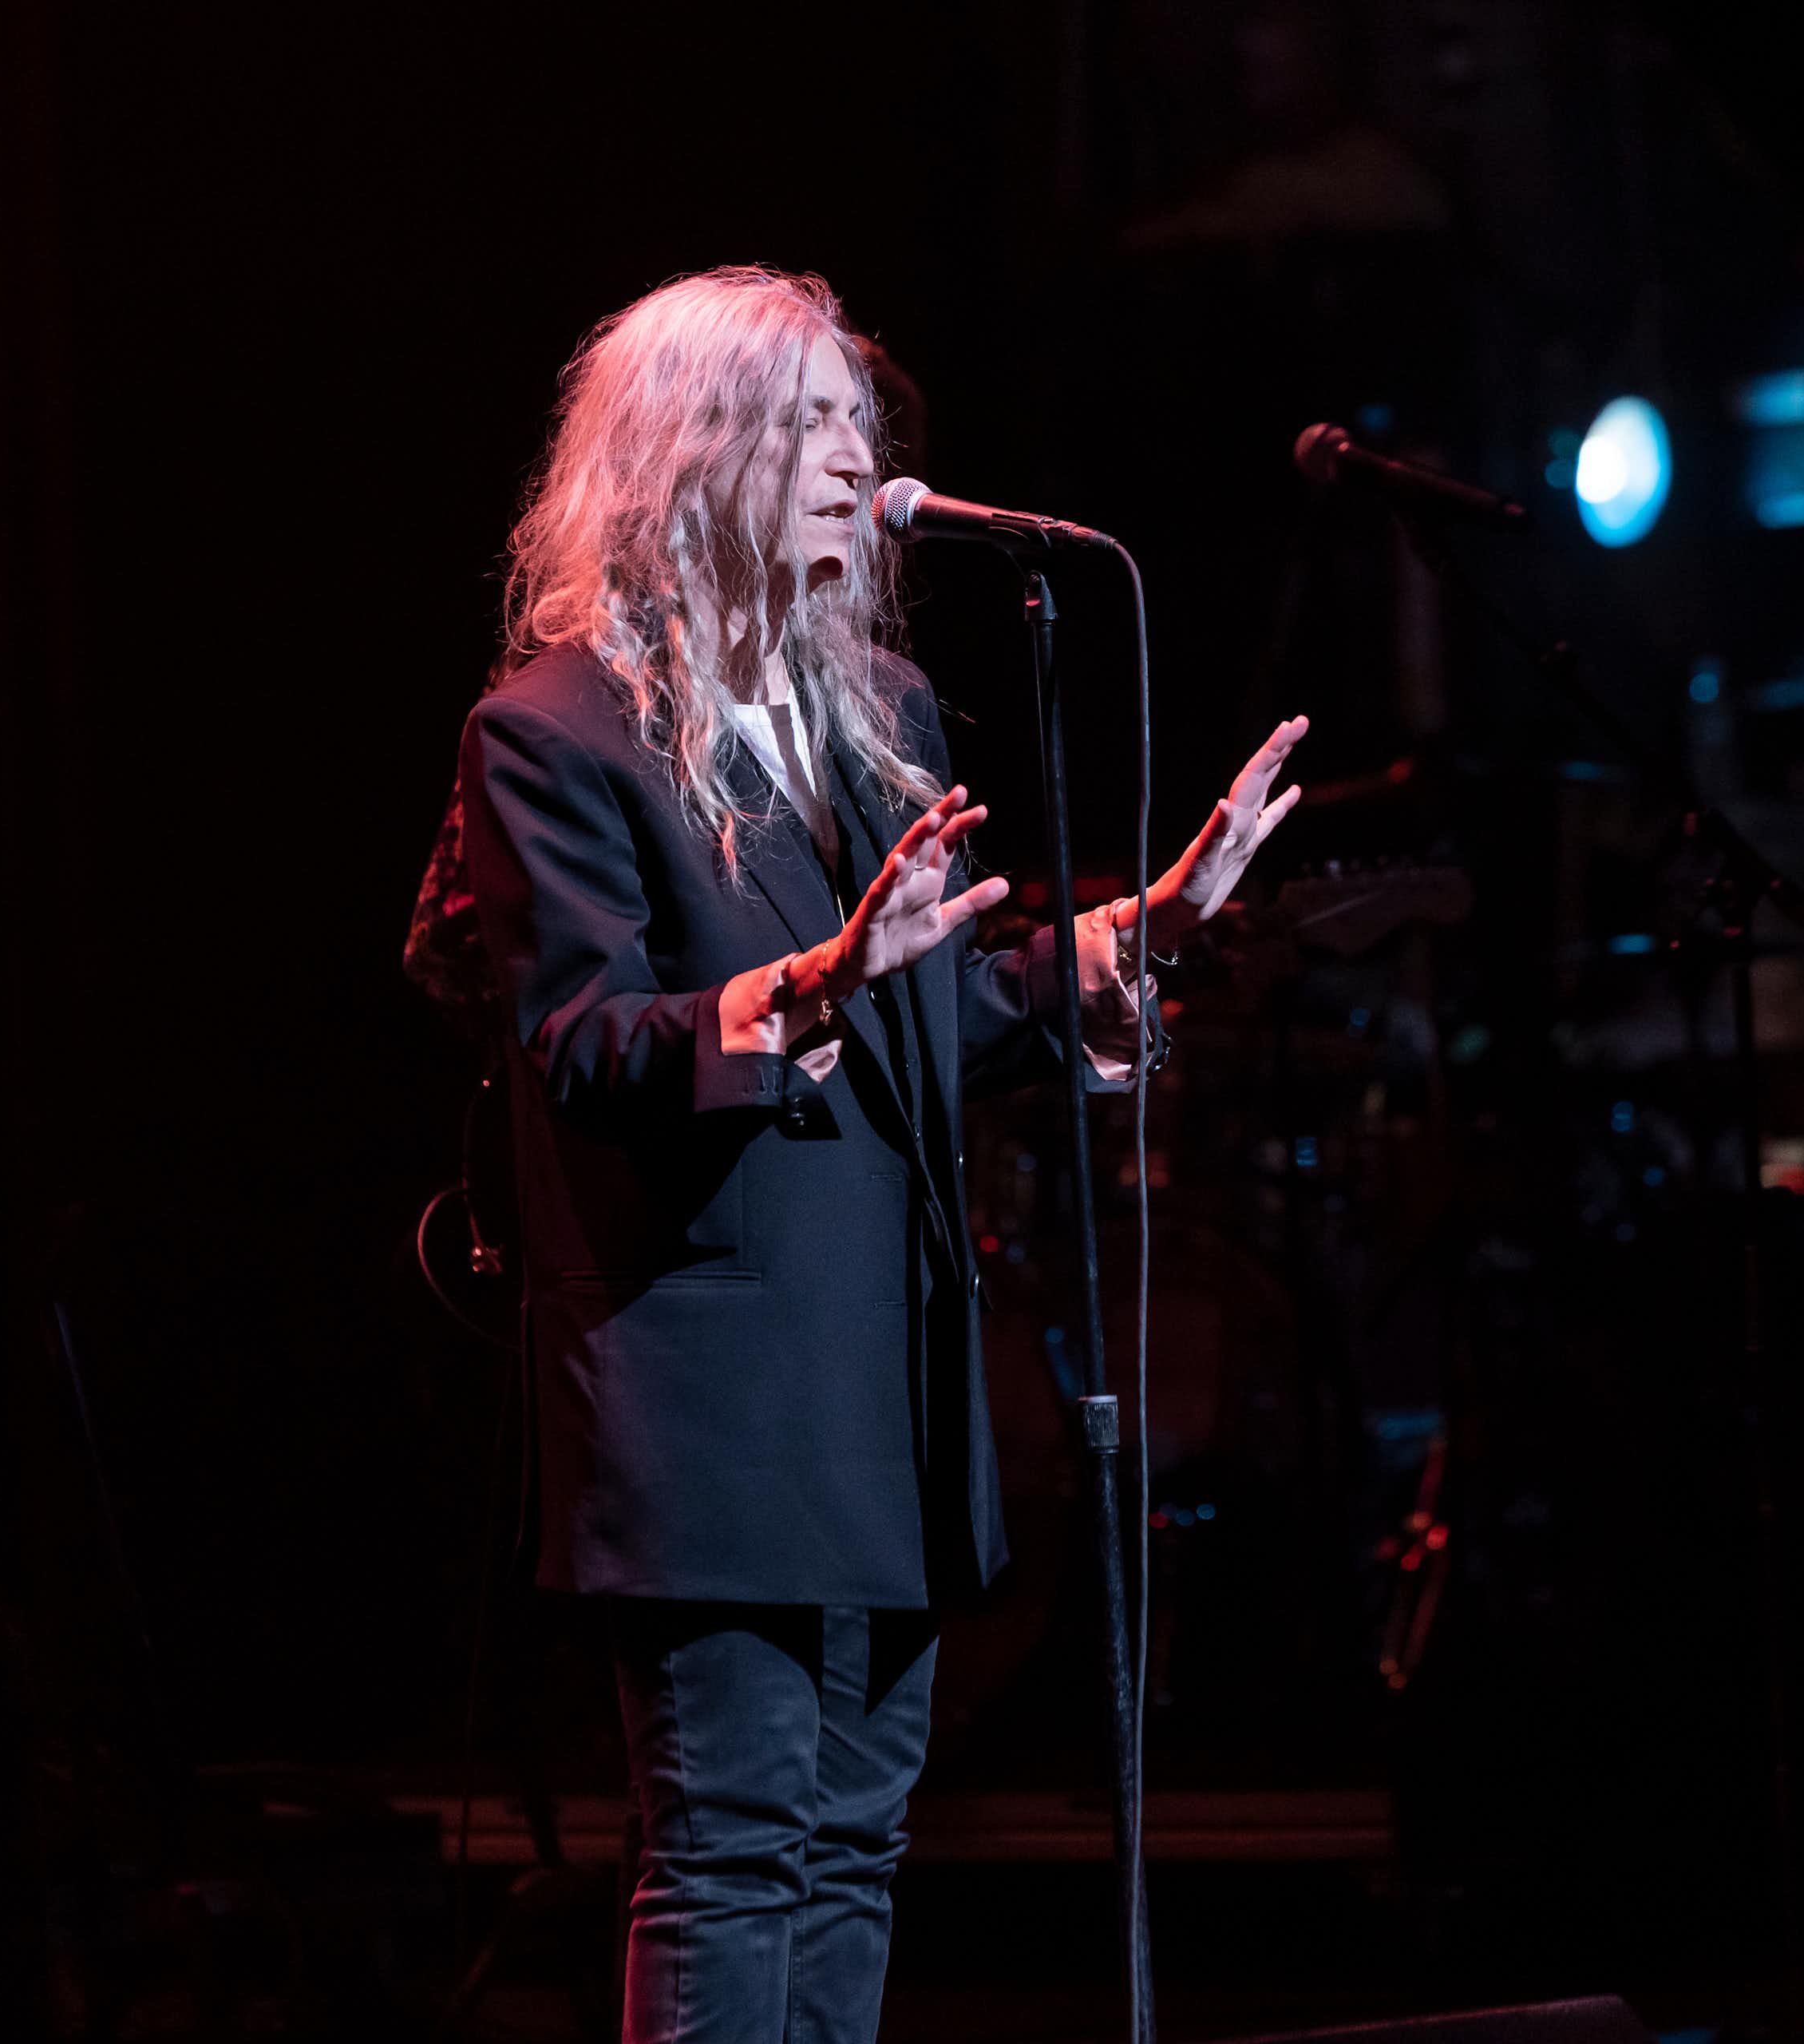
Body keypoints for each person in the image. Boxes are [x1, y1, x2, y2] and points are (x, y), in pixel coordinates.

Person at [457, 264, 1308, 2044]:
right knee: (733, 1847)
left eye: (858, 426)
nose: (855, 463)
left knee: (852, 1847)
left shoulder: (881, 714)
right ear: (687, 456)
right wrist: (810, 977)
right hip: (707, 1385)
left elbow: (941, 1025)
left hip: (885, 1382)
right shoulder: (557, 728)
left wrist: (1134, 928)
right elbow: (577, 1048)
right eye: (807, 427)